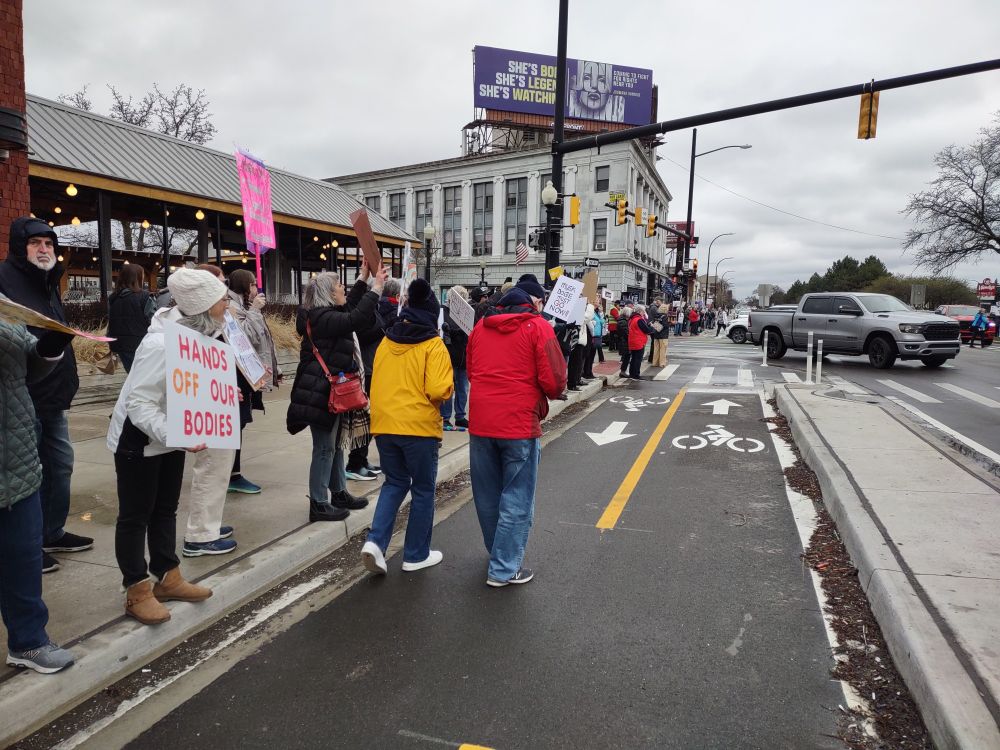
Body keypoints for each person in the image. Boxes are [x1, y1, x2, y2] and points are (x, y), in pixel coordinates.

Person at [106, 269, 227, 624]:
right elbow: (140, 405)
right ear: (203, 306)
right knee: (135, 516)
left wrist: (219, 395)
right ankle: (137, 589)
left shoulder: (200, 336)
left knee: (165, 510)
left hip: (173, 438)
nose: (227, 305)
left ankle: (168, 576)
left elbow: (187, 386)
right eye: (222, 299)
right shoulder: (160, 344)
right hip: (140, 442)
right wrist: (178, 434)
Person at [0, 217, 90, 575]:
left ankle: (51, 531)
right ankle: (28, 543)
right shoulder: (5, 281)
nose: (44, 250)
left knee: (60, 466)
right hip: (22, 397)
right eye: (36, 243)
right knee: (29, 475)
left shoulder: (49, 282)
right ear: (20, 248)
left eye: (49, 244)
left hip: (54, 394)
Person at [467, 274, 567, 586]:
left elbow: (471, 370)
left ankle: (497, 552)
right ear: (534, 303)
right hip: (519, 424)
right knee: (517, 497)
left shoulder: (480, 328)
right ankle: (504, 568)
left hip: (482, 422)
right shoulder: (538, 327)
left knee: (487, 495)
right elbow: (554, 381)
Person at [361, 279, 454, 575]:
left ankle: (375, 543)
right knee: (423, 490)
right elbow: (439, 389)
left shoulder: (388, 340)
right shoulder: (433, 344)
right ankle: (415, 554)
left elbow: (376, 380)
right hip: (418, 428)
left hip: (385, 425)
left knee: (395, 482)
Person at [1, 313, 76, 672]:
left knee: (24, 558)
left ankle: (28, 642)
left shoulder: (4, 309)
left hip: (17, 459)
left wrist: (49, 347)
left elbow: (26, 369)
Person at [287, 265, 387, 522]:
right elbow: (355, 318)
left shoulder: (327, 313)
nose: (344, 289)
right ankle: (319, 502)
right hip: (319, 391)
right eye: (339, 286)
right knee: (324, 448)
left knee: (336, 445)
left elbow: (350, 306)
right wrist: (376, 288)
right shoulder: (322, 318)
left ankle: (339, 492)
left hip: (328, 390)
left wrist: (363, 279)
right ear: (329, 294)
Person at [225, 269, 280, 494]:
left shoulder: (241, 305)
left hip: (247, 373)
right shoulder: (231, 306)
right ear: (244, 286)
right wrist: (255, 310)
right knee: (235, 424)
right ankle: (231, 474)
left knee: (241, 422)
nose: (257, 288)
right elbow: (245, 336)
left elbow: (261, 340)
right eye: (253, 284)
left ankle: (233, 472)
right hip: (236, 374)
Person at [107, 264, 155, 372]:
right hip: (141, 344)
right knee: (143, 376)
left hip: (119, 345)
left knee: (132, 374)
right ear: (138, 278)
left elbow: (111, 321)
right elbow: (154, 321)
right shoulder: (145, 297)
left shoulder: (113, 298)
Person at [441, 285, 471, 431]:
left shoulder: (467, 313)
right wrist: (452, 331)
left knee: (463, 388)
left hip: (463, 355)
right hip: (450, 354)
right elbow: (442, 331)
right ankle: (446, 417)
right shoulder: (444, 312)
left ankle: (460, 416)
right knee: (449, 388)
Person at [627, 304, 655, 379]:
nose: (644, 312)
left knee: (633, 358)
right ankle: (636, 374)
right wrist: (652, 327)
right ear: (640, 311)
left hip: (632, 340)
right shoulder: (639, 319)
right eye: (643, 311)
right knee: (638, 359)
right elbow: (647, 330)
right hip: (638, 341)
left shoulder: (632, 318)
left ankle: (632, 373)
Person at [650, 303, 670, 367]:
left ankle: (655, 362)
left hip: (656, 334)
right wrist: (670, 323)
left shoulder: (656, 316)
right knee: (663, 350)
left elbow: (653, 324)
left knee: (656, 349)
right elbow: (665, 326)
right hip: (663, 335)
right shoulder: (665, 317)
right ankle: (662, 363)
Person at [617, 305, 633, 376]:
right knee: (626, 357)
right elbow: (626, 333)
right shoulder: (623, 321)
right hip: (624, 342)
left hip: (624, 341)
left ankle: (623, 371)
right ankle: (623, 371)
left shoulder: (623, 320)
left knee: (626, 357)